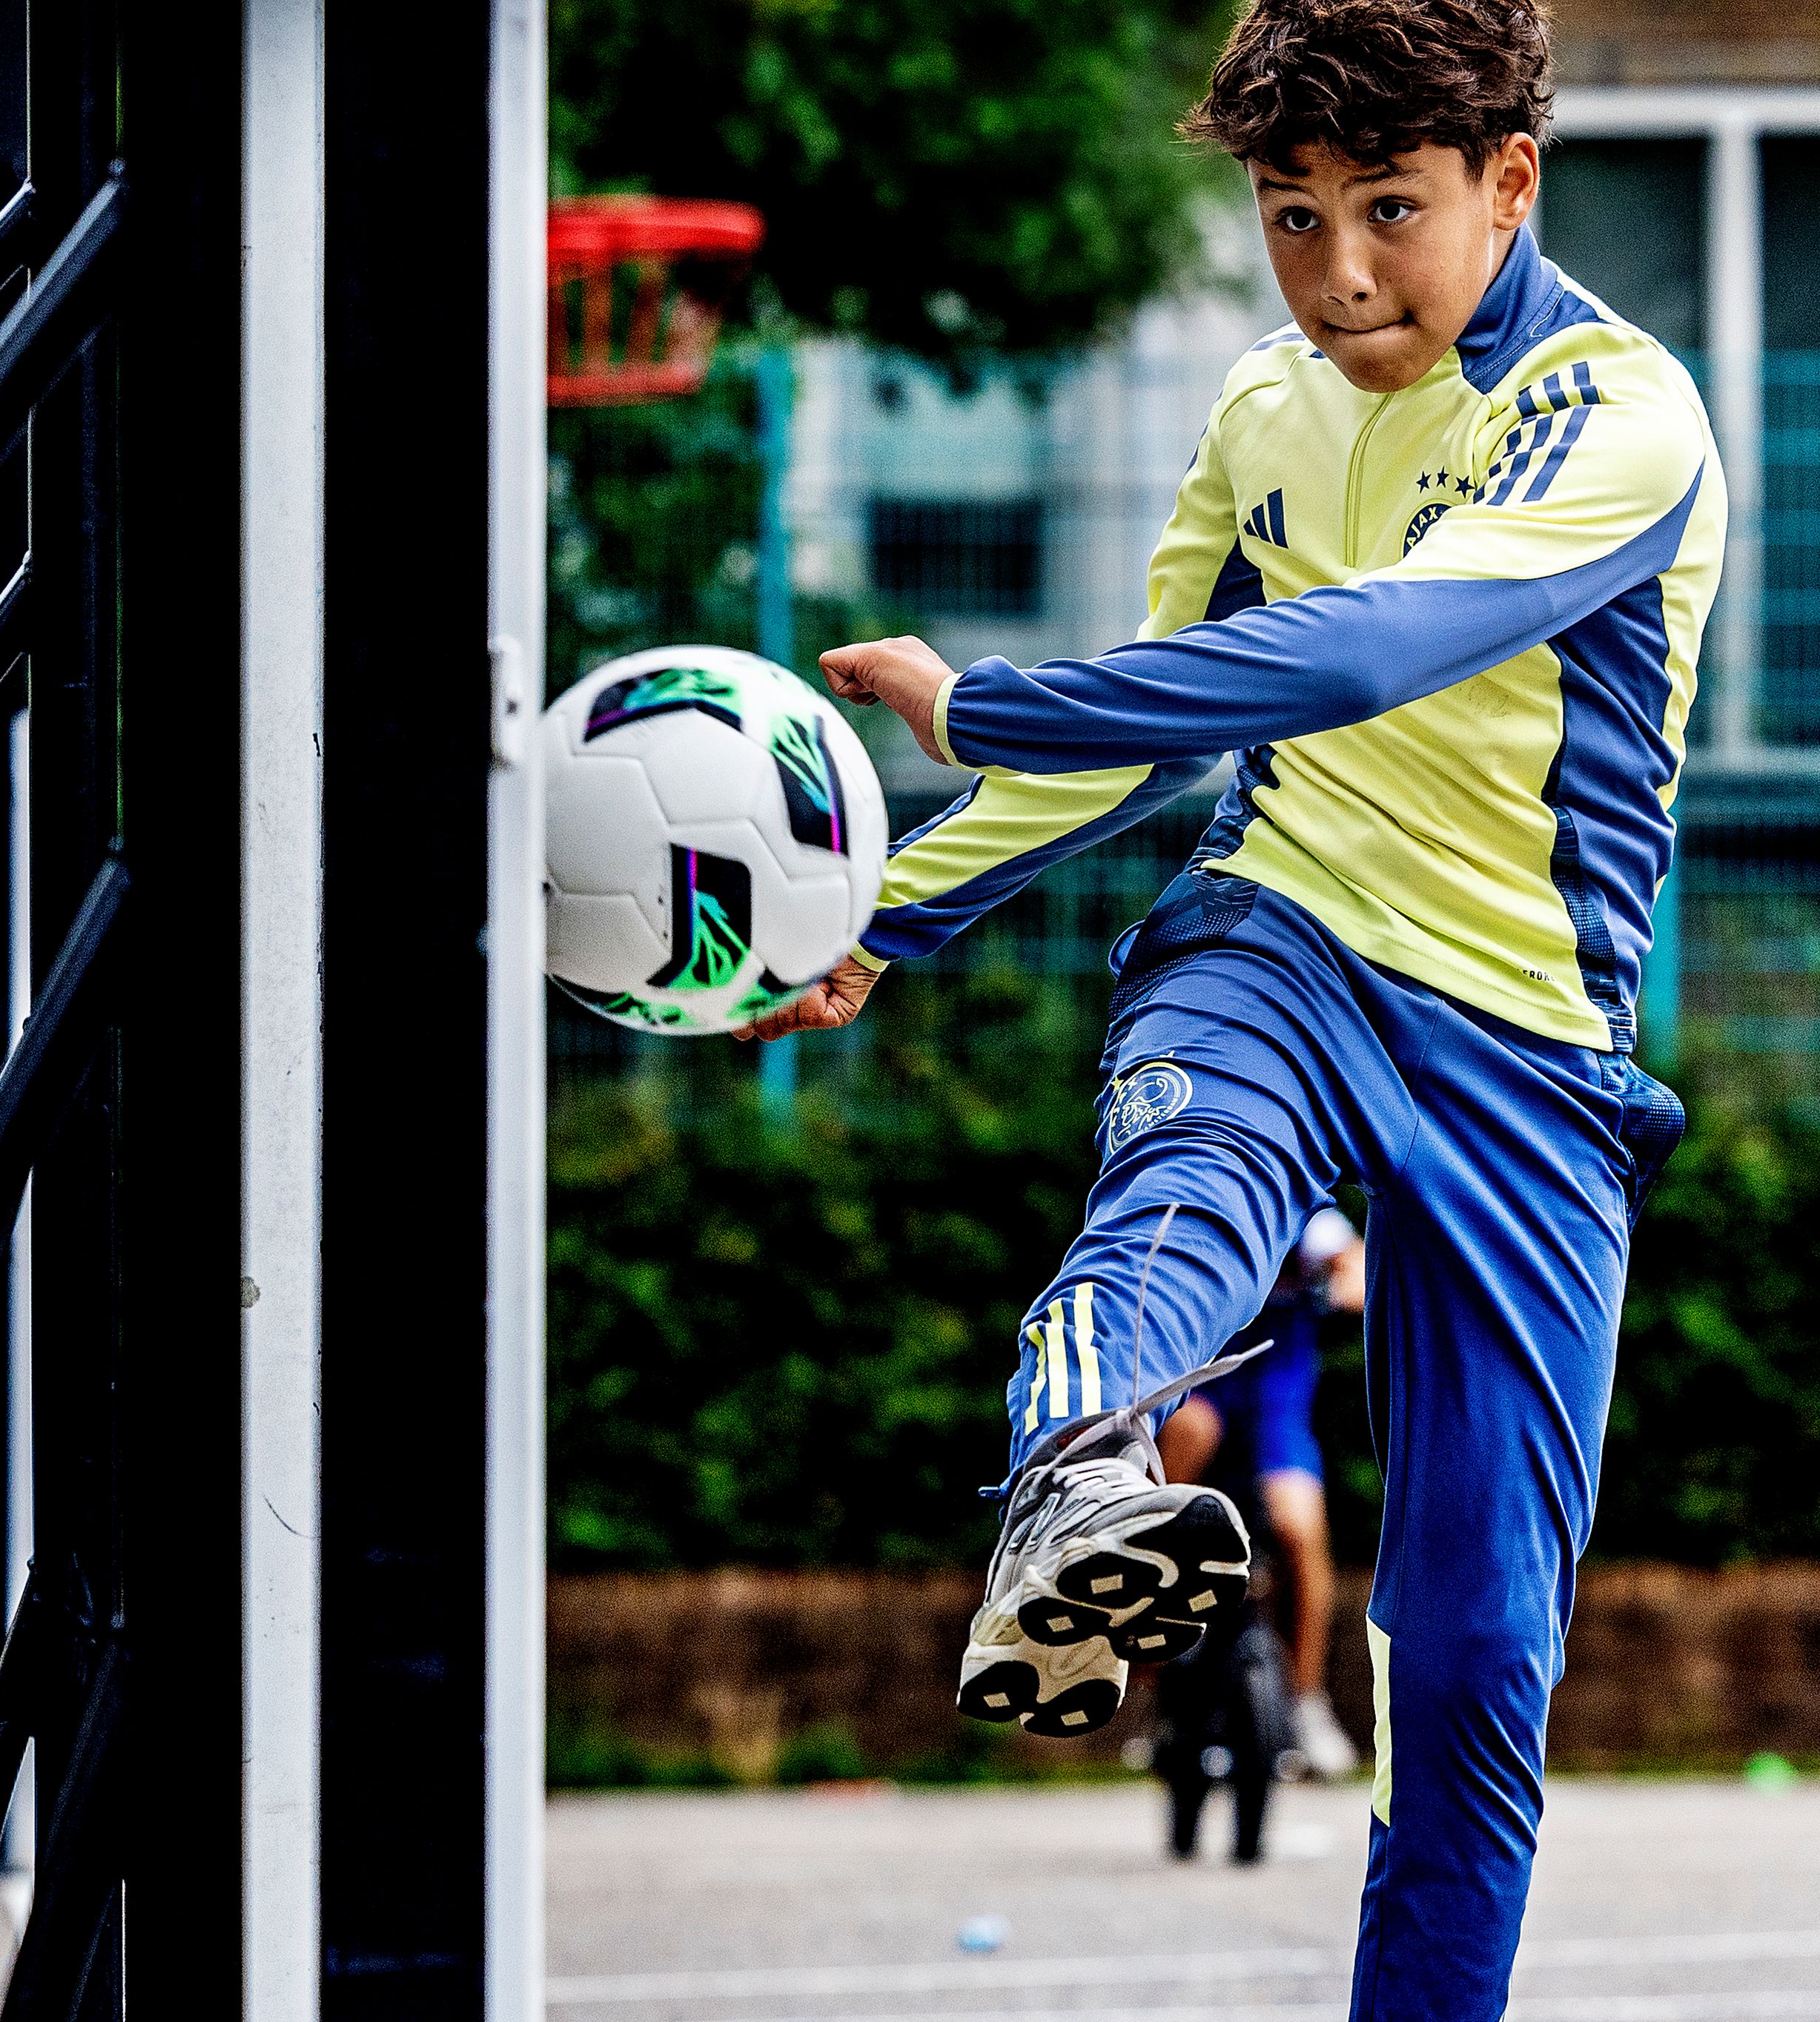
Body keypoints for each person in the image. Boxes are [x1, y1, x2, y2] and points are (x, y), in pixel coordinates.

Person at [740, 0, 1716, 2009]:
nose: (1337, 270)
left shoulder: (1622, 414)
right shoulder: (1266, 410)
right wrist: (889, 918)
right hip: (1280, 927)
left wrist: (985, 692)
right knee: (1185, 1162)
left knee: (1469, 1663)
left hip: (1536, 1051)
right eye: (1289, 216)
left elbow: (1368, 649)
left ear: (1507, 183)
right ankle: (1079, 1465)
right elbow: (1144, 748)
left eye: (1388, 211)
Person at [1159, 1203, 1365, 1780]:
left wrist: (1344, 1285)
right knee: (1184, 1445)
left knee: (1297, 1526)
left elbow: (1354, 1263)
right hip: (1202, 1389)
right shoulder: (1204, 1206)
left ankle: (1304, 1702)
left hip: (1276, 1405)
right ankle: (1148, 1670)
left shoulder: (1304, 1213)